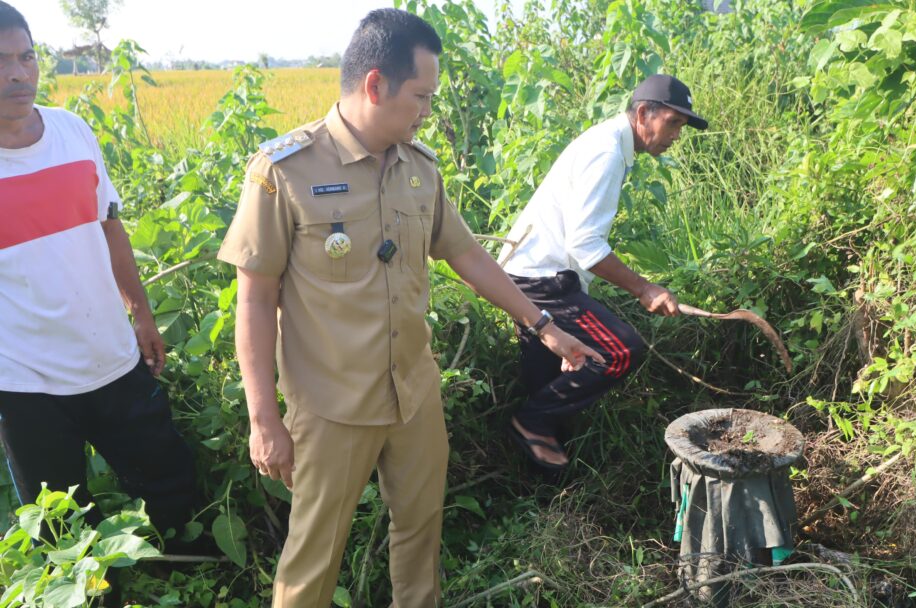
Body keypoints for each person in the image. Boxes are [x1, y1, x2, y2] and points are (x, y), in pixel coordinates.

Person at [217, 9, 600, 607]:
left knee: (420, 535)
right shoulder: (283, 172)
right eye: (421, 95)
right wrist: (263, 418)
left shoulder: (417, 168)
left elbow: (468, 255)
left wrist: (544, 325)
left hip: (414, 394)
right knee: (314, 556)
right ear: (376, 85)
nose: (427, 110)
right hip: (332, 407)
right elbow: (256, 298)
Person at [0, 1, 196, 537]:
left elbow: (110, 227)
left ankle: (192, 581)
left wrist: (142, 314)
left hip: (111, 356)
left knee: (174, 491)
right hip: (25, 384)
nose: (18, 73)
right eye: (1, 61)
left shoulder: (72, 131)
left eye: (27, 57)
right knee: (62, 529)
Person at [498, 74, 709, 470]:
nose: (677, 134)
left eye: (682, 126)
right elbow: (585, 245)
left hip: (528, 275)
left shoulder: (608, 143)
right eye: (674, 122)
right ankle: (530, 421)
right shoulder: (608, 151)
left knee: (546, 385)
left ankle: (542, 495)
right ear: (644, 113)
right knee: (619, 351)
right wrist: (644, 289)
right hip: (542, 280)